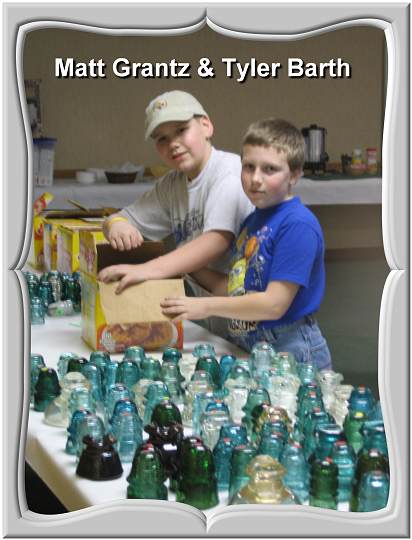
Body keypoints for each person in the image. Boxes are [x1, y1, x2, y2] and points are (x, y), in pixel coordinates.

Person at [161, 118, 332, 369]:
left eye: (270, 169)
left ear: (295, 174)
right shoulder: (252, 222)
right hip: (252, 343)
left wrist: (204, 306)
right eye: (249, 167)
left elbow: (274, 304)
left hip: (291, 349)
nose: (255, 179)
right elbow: (235, 287)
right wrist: (185, 266)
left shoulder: (297, 225)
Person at [98, 90, 253, 336]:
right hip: (208, 319)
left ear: (206, 126)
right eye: (162, 138)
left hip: (246, 319)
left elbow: (216, 242)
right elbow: (120, 217)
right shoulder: (172, 184)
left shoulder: (228, 173)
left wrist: (145, 270)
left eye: (181, 130)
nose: (173, 144)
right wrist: (116, 224)